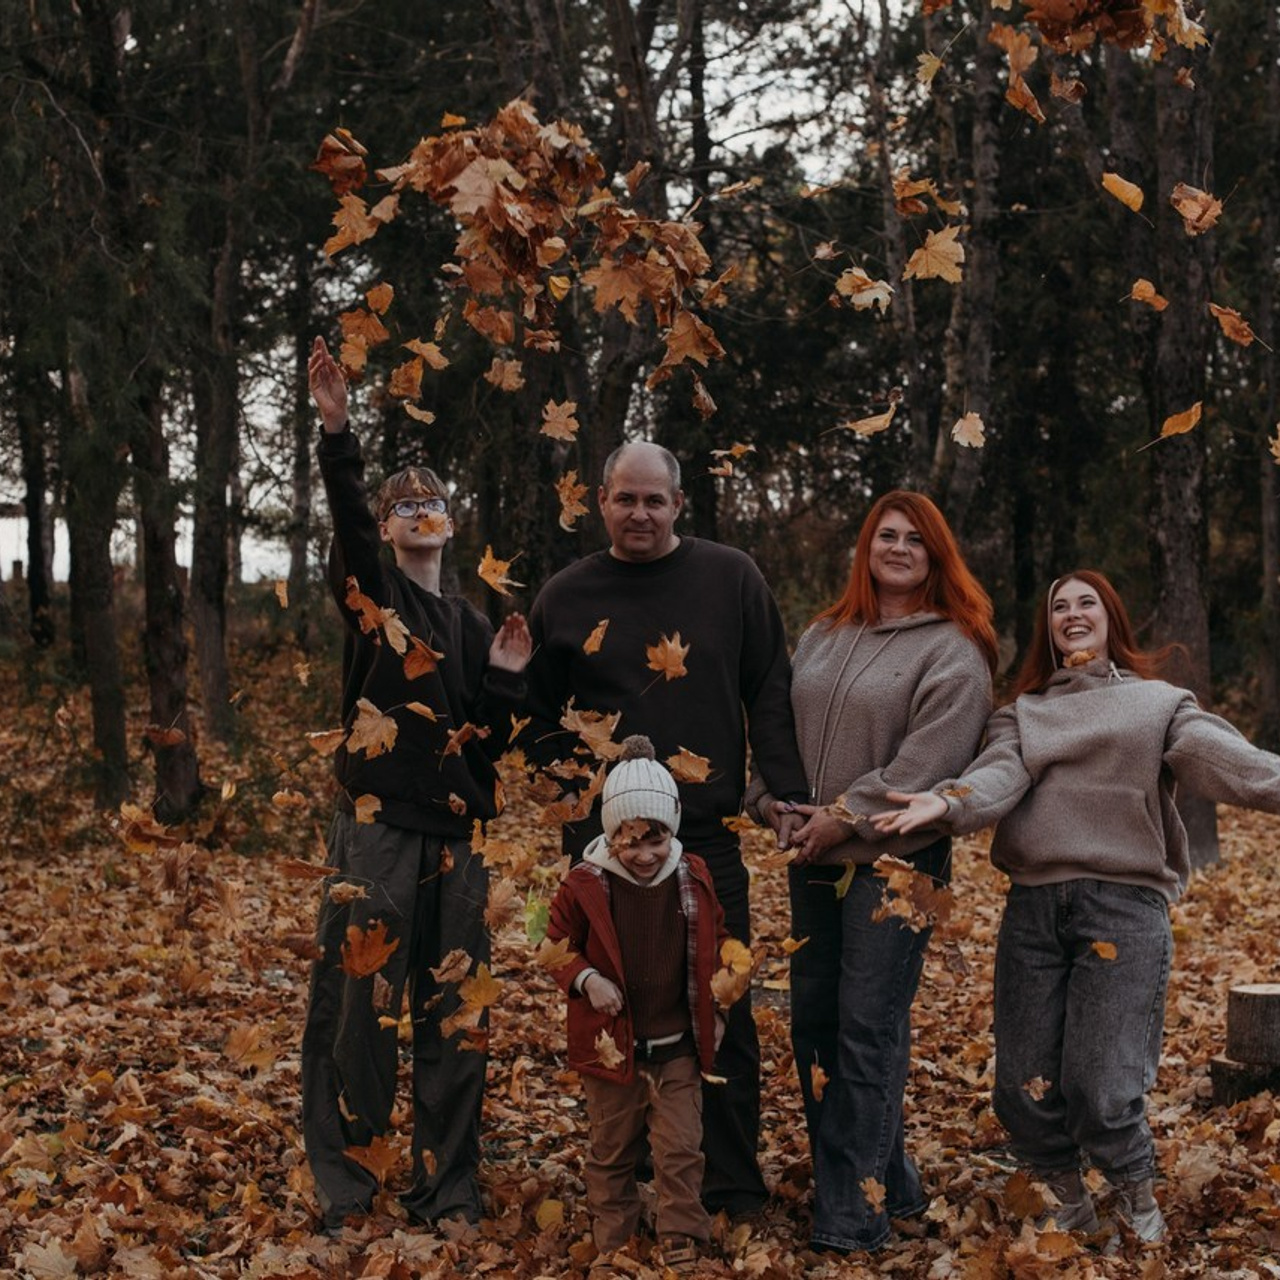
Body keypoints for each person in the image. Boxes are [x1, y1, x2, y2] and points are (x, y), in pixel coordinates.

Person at [873, 569, 1280, 1245]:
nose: (1072, 613)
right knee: (1021, 1087)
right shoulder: (1024, 714)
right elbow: (998, 775)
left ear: (1110, 616)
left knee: (1101, 1087)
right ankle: (1069, 1199)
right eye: (1059, 606)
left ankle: (1135, 1198)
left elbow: (1233, 763)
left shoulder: (1157, 704)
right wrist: (948, 801)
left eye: (1086, 601)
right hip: (1034, 911)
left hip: (1124, 909)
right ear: (1050, 628)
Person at [523, 441, 809, 1218]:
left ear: (679, 504)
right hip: (603, 854)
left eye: (655, 500)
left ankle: (730, 1187)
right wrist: (573, 795)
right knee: (622, 1008)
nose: (640, 513)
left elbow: (769, 688)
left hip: (705, 841)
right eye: (626, 498)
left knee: (720, 1009)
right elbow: (535, 716)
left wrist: (784, 791)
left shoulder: (731, 579)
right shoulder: (567, 596)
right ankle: (636, 1184)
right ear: (602, 502)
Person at [300, 336, 532, 1233]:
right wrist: (337, 431)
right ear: (389, 527)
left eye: (433, 502)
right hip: (379, 831)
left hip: (457, 841)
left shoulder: (471, 623)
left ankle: (447, 1187)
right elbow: (352, 535)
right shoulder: (375, 601)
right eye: (404, 505)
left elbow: (488, 744)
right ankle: (349, 1183)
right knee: (357, 1009)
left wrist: (505, 677)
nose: (421, 512)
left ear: (451, 521)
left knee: (455, 1013)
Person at [745, 489, 997, 1254]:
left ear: (935, 555)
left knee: (866, 1028)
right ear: (866, 547)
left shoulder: (955, 649)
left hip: (898, 864)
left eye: (914, 540)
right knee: (815, 1024)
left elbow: (931, 760)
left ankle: (852, 1216)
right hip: (815, 857)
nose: (898, 549)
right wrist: (771, 801)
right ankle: (891, 1182)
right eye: (886, 536)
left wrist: (845, 814)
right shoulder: (825, 634)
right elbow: (782, 727)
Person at [547, 735, 730, 1273]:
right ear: (610, 834)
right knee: (612, 1150)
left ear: (672, 829)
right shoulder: (585, 884)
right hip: (613, 1048)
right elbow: (554, 945)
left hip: (676, 1047)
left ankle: (681, 1233)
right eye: (629, 842)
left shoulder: (693, 877)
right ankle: (615, 1239)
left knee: (680, 1149)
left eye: (656, 839)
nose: (645, 854)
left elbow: (717, 946)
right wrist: (585, 979)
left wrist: (719, 1009)